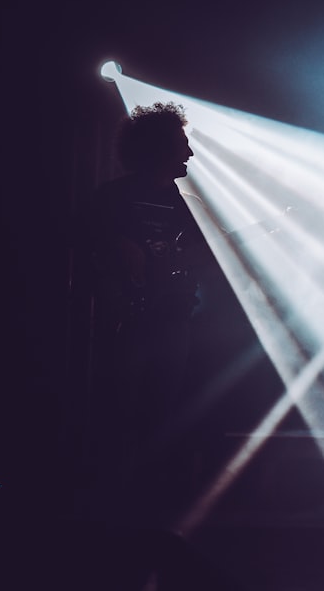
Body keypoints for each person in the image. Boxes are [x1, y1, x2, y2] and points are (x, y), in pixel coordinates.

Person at [86, 101, 212, 520]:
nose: (190, 153)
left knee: (162, 412)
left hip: (173, 321)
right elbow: (85, 246)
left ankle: (149, 505)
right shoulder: (113, 197)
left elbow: (198, 254)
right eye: (182, 144)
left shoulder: (186, 204)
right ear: (158, 148)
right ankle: (113, 505)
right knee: (117, 412)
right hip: (124, 320)